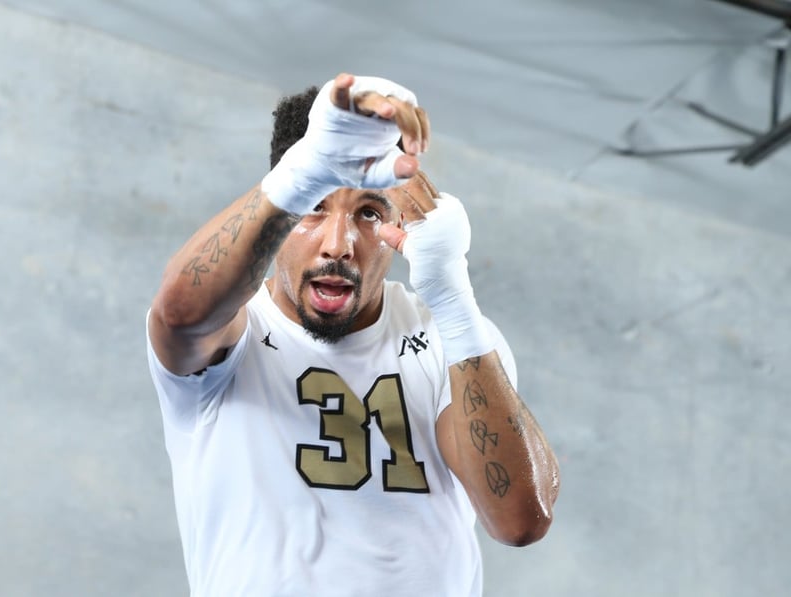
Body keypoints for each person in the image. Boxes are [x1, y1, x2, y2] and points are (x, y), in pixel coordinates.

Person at [146, 72, 560, 596]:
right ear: (281, 207)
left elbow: (521, 519)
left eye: (368, 212)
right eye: (313, 206)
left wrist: (455, 301)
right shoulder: (237, 327)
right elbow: (179, 314)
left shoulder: (450, 337)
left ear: (400, 224)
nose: (338, 244)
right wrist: (307, 169)